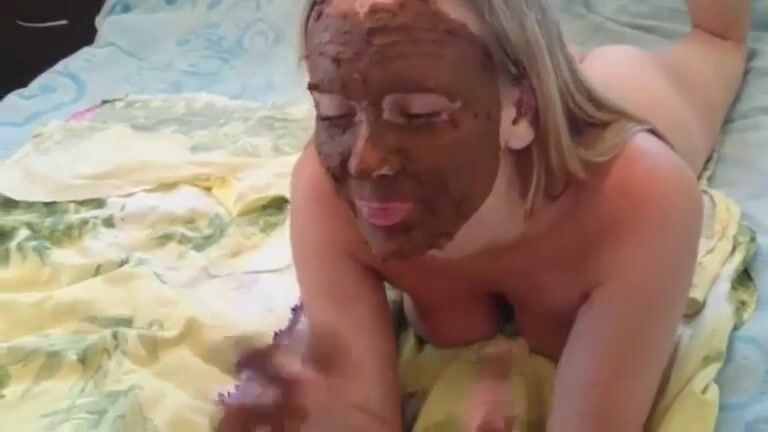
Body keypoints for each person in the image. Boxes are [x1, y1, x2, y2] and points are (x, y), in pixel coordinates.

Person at [217, 0, 751, 430]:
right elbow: (357, 408)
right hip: (511, 83)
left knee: (713, 47)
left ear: (523, 110)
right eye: (334, 113)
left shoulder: (637, 196)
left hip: (591, 129)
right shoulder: (328, 193)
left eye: (420, 116)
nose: (364, 162)